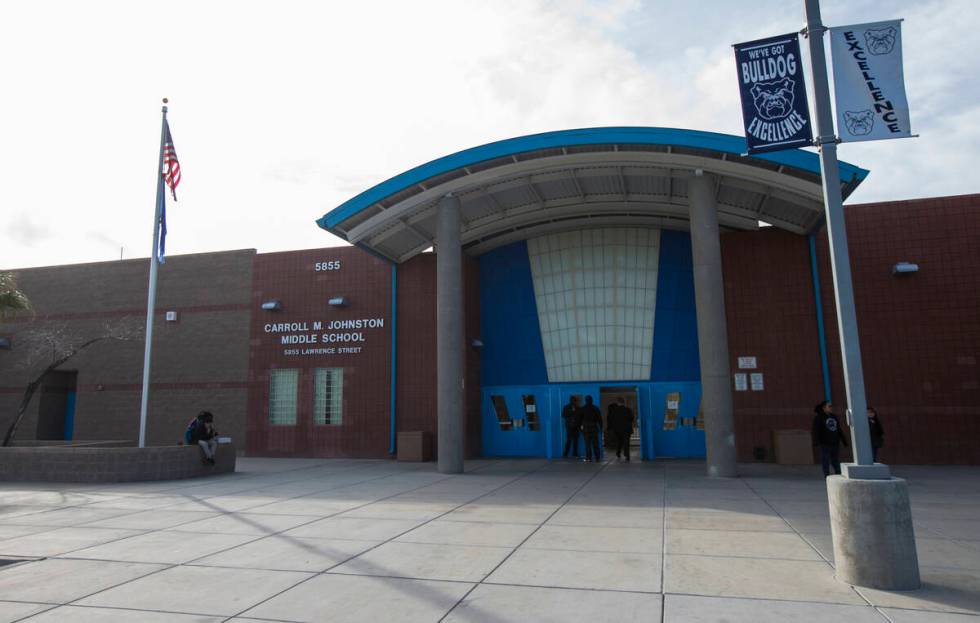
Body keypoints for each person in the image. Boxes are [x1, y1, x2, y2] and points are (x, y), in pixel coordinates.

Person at [812, 400, 848, 476]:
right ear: (824, 408)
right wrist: (816, 441)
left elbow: (838, 429)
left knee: (835, 459)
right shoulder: (819, 418)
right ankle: (826, 474)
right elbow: (816, 430)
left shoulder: (833, 416)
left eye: (831, 406)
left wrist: (844, 440)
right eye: (829, 406)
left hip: (835, 442)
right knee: (825, 459)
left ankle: (838, 473)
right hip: (824, 442)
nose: (831, 408)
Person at [580, 395, 603, 462]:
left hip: (586, 428)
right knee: (595, 443)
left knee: (587, 444)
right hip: (594, 427)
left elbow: (580, 420)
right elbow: (600, 419)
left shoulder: (583, 409)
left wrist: (581, 428)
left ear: (585, 400)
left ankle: (588, 458)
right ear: (592, 400)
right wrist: (601, 427)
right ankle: (597, 457)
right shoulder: (596, 408)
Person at [611, 397, 635, 462]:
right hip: (626, 429)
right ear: (623, 402)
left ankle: (618, 453)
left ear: (618, 402)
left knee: (619, 442)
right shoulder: (628, 410)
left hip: (617, 429)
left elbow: (612, 420)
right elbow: (632, 418)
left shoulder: (614, 410)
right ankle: (627, 455)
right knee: (626, 442)